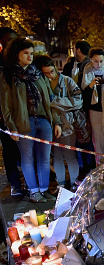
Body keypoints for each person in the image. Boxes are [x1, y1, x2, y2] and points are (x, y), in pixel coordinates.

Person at [0, 37, 61, 203]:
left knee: (44, 158)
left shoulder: (37, 73)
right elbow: (6, 105)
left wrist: (56, 122)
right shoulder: (9, 75)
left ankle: (43, 189)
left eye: (31, 53)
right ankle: (34, 191)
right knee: (28, 158)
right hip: (24, 122)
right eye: (25, 53)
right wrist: (12, 126)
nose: (29, 56)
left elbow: (50, 100)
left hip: (43, 120)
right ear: (16, 54)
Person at [35, 55, 86, 191]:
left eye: (52, 71)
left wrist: (56, 102)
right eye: (46, 73)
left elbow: (78, 100)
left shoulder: (67, 81)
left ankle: (74, 182)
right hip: (50, 124)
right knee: (56, 155)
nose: (50, 75)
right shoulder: (41, 83)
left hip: (68, 124)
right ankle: (61, 184)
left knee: (70, 154)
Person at [81, 47, 104, 160]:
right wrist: (90, 86)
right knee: (99, 143)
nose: (99, 64)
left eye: (101, 61)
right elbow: (84, 97)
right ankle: (100, 169)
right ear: (91, 60)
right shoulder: (86, 73)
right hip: (95, 112)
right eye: (95, 61)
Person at [0, 27, 25, 197]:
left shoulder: (22, 62)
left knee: (25, 150)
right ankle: (15, 183)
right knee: (9, 149)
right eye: (7, 40)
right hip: (4, 115)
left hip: (24, 115)